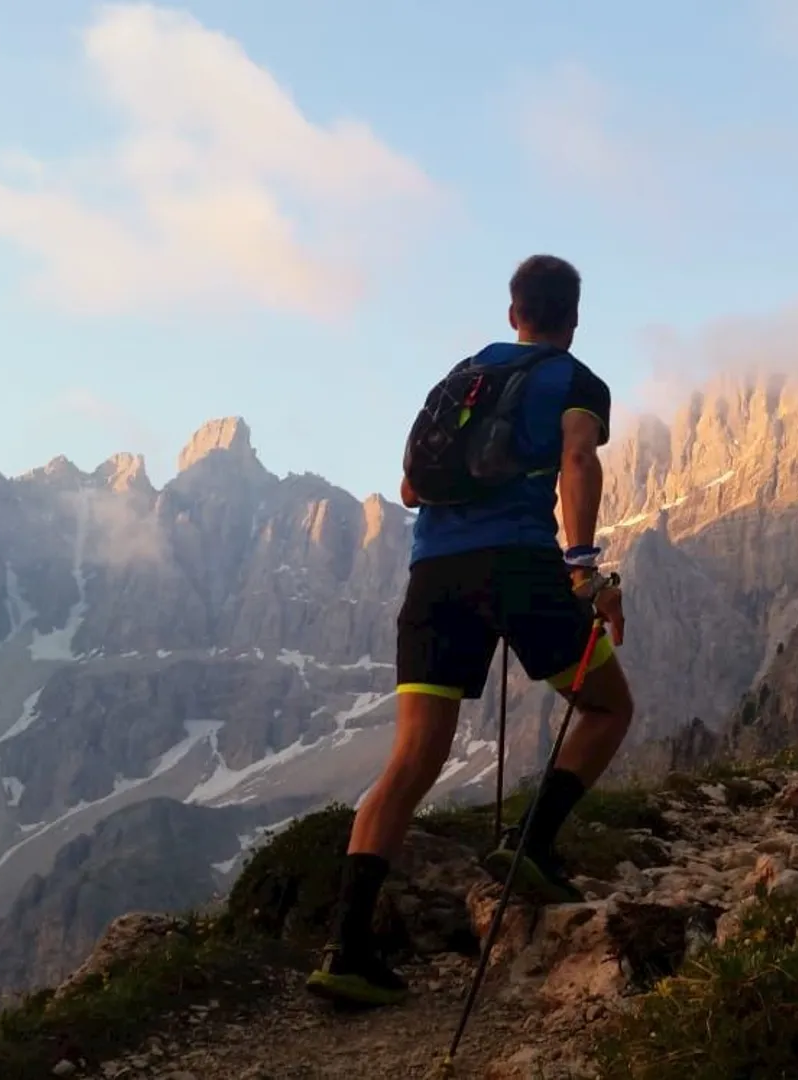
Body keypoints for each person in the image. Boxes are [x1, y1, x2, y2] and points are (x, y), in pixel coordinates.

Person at [307, 254, 634, 1008]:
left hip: (434, 576)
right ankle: (532, 843)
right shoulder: (575, 382)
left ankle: (345, 951)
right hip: (519, 564)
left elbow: (410, 486)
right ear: (573, 317)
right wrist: (584, 568)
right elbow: (578, 457)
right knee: (608, 706)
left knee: (412, 759)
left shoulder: (461, 379)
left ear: (513, 310)